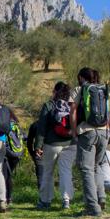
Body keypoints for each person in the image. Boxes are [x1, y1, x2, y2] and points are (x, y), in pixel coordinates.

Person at [70, 67, 110, 216]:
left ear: (81, 77)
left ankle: (92, 206)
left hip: (87, 132)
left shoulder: (80, 89)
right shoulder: (104, 90)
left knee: (87, 169)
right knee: (97, 167)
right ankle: (101, 199)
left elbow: (73, 111)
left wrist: (75, 130)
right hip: (104, 132)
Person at [36, 81, 77, 210]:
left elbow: (41, 128)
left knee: (48, 172)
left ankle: (45, 201)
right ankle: (66, 200)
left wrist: (38, 145)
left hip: (51, 144)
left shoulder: (49, 105)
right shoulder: (72, 106)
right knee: (66, 171)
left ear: (55, 92)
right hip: (70, 144)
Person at [2, 116, 25, 206]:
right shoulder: (17, 126)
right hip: (17, 154)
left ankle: (5, 197)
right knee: (9, 175)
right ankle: (9, 198)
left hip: (7, 154)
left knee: (5, 175)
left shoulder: (4, 126)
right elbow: (24, 137)